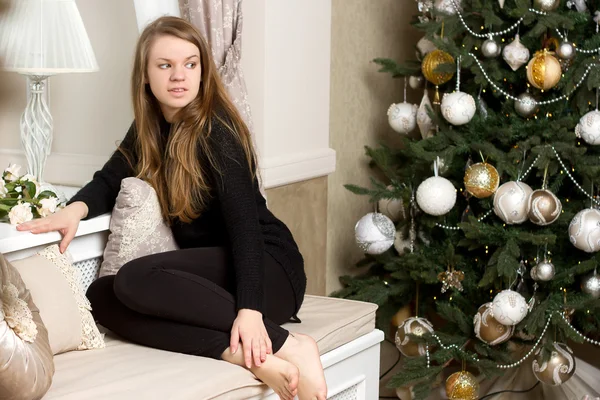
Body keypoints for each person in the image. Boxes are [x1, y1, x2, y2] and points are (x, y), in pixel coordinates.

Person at [17, 16, 327, 400]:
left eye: (190, 64)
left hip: (267, 270)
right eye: (165, 65)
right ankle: (238, 354)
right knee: (101, 296)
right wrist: (75, 209)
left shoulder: (217, 131)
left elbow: (246, 231)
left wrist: (250, 312)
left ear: (202, 71)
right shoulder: (151, 127)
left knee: (134, 278)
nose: (179, 76)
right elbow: (109, 178)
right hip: (218, 277)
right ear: (146, 75)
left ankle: (290, 346)